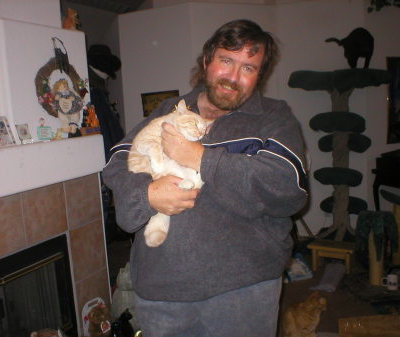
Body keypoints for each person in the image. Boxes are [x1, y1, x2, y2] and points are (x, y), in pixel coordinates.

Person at [102, 19, 308, 337]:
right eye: (226, 61)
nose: (233, 77)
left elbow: (286, 189)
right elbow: (117, 163)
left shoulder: (273, 117)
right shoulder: (169, 111)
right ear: (207, 61)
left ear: (259, 76)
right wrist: (147, 195)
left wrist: (200, 158)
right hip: (163, 292)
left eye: (248, 68)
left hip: (245, 292)